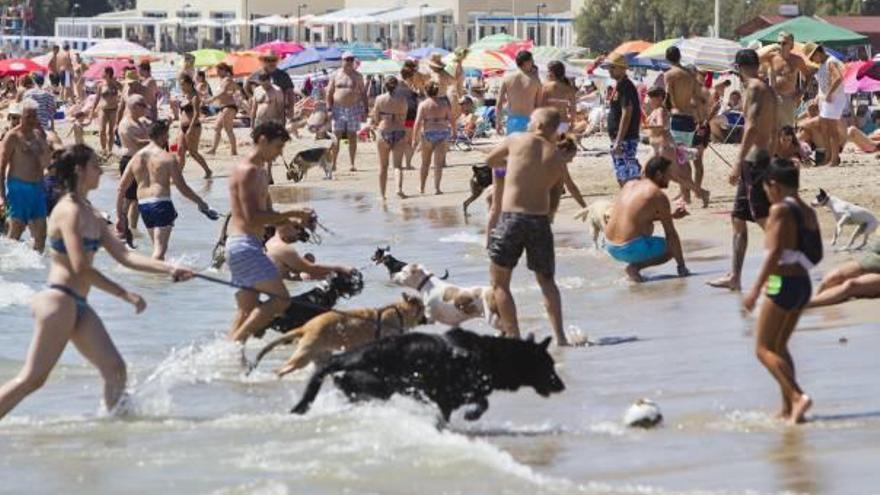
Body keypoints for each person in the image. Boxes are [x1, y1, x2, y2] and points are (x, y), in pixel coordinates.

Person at [0, 144, 193, 421]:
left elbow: (125, 255)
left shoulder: (89, 212)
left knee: (115, 369)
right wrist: (124, 294)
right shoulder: (69, 211)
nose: (101, 171)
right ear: (79, 170)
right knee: (33, 379)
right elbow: (80, 266)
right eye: (95, 166)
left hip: (77, 304)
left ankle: (112, 433)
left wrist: (170, 267)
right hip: (58, 300)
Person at [485, 108, 575, 346]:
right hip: (540, 221)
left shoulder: (517, 140)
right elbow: (555, 195)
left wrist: (512, 162)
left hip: (512, 219)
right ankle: (561, 338)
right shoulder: (557, 157)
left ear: (539, 125)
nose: (527, 124)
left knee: (500, 282)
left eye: (530, 120)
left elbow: (490, 160)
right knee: (547, 282)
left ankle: (514, 337)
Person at [742, 159, 821, 425]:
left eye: (766, 188)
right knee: (779, 346)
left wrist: (754, 289)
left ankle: (798, 397)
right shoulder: (807, 210)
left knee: (762, 349)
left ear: (773, 185)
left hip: (781, 283)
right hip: (803, 284)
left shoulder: (779, 210)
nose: (766, 193)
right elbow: (814, 253)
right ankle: (788, 407)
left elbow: (774, 252)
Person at [226, 122, 315, 343]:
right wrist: (292, 211)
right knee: (281, 299)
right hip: (243, 245)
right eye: (277, 147)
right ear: (263, 140)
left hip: (250, 244)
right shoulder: (246, 171)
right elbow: (252, 217)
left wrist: (294, 220)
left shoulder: (262, 173)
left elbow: (268, 214)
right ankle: (237, 343)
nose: (279, 153)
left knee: (246, 311)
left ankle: (230, 356)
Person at [709, 49, 778, 292]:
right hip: (759, 159)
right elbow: (776, 128)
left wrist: (738, 163)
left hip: (755, 161)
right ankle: (735, 277)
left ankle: (780, 278)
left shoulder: (755, 88)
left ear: (738, 67)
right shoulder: (765, 88)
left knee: (764, 220)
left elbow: (751, 127)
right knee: (738, 218)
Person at [116, 120, 215, 260]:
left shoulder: (135, 158)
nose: (167, 139)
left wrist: (120, 215)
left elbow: (121, 188)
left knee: (157, 248)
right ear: (162, 136)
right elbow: (182, 187)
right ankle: (154, 276)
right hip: (161, 203)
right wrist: (201, 203)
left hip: (144, 205)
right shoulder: (167, 158)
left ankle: (156, 277)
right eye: (167, 136)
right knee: (159, 251)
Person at [604, 156, 689, 282]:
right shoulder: (657, 195)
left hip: (610, 245)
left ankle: (635, 267)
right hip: (629, 248)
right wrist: (682, 267)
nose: (671, 178)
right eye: (669, 174)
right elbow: (670, 233)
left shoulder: (629, 184)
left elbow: (634, 216)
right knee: (673, 248)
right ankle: (634, 267)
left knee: (647, 228)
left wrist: (670, 216)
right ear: (659, 174)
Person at [489, 51, 543, 245]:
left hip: (512, 121)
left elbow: (498, 103)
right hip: (528, 121)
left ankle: (507, 191)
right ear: (527, 62)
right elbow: (538, 107)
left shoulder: (507, 78)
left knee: (512, 158)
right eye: (532, 62)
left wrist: (497, 122)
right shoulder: (535, 80)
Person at [0, 100, 52, 251]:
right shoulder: (12, 137)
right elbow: (2, 167)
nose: (32, 120)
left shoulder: (38, 135)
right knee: (16, 230)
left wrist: (43, 139)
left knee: (41, 233)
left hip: (37, 188)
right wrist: (2, 196)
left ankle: (38, 269)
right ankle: (9, 266)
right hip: (18, 188)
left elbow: (47, 163)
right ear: (21, 116)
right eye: (28, 116)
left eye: (34, 116)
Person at [645, 87, 709, 205]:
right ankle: (701, 192)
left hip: (664, 148)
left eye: (651, 97)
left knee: (672, 176)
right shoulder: (655, 111)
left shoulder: (660, 110)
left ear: (659, 98)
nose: (649, 100)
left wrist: (646, 127)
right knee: (673, 176)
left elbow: (661, 126)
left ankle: (701, 193)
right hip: (658, 147)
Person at [664, 46, 707, 191]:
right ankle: (686, 193)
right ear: (679, 56)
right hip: (690, 119)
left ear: (667, 58)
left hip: (677, 118)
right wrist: (701, 120)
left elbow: (667, 98)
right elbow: (698, 98)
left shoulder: (670, 75)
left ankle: (693, 192)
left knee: (679, 159)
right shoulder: (690, 74)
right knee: (684, 158)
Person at [266, 221, 355, 280]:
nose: (299, 232)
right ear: (283, 226)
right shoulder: (283, 248)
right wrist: (341, 268)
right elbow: (311, 268)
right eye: (296, 227)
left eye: (301, 228)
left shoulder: (271, 242)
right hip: (283, 292)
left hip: (282, 283)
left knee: (310, 268)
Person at [805, 43, 845, 167]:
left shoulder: (830, 62)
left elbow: (838, 78)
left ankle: (834, 158)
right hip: (827, 99)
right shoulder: (823, 64)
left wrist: (829, 93)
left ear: (818, 52)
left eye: (812, 57)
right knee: (825, 129)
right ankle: (829, 157)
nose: (812, 60)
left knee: (832, 130)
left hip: (834, 99)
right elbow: (824, 84)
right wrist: (819, 96)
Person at [604, 53, 641, 186]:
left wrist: (619, 141)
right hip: (620, 138)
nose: (610, 70)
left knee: (628, 176)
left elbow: (627, 113)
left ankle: (634, 203)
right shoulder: (619, 86)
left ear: (622, 68)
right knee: (623, 174)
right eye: (609, 68)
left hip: (625, 138)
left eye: (613, 67)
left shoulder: (626, 86)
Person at [327, 52, 368, 172]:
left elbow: (363, 93)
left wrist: (365, 109)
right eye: (347, 59)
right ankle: (333, 163)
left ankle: (352, 163)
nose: (349, 62)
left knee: (352, 136)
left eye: (351, 59)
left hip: (353, 108)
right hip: (338, 109)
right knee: (336, 136)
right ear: (342, 60)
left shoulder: (358, 76)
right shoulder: (335, 75)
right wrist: (329, 108)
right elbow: (329, 92)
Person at [809, 238, 880, 307]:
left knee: (851, 285)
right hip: (876, 256)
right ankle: (816, 301)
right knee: (833, 277)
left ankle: (806, 305)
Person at [117, 95, 151, 232]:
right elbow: (136, 142)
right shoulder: (126, 123)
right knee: (128, 198)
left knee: (138, 198)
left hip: (142, 162)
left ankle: (133, 228)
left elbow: (153, 126)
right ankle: (122, 226)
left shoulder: (141, 121)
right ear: (134, 107)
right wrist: (154, 140)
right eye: (143, 105)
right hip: (129, 161)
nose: (146, 108)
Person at [761, 32, 809, 129]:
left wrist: (801, 92)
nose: (780, 46)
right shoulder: (772, 57)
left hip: (789, 98)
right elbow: (757, 58)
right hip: (774, 96)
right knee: (772, 128)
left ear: (791, 44)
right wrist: (771, 48)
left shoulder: (797, 60)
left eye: (783, 43)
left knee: (787, 129)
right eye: (778, 43)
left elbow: (808, 75)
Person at [370, 76, 408, 200]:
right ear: (396, 86)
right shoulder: (402, 99)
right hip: (399, 131)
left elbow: (376, 118)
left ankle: (382, 195)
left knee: (383, 166)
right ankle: (398, 189)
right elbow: (404, 116)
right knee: (397, 166)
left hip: (384, 131)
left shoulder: (379, 99)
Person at [413, 82, 453, 196]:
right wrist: (454, 131)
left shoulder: (423, 104)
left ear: (426, 92)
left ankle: (421, 187)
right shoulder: (444, 104)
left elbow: (418, 122)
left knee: (425, 163)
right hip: (442, 133)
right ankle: (437, 188)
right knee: (438, 164)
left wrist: (413, 138)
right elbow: (451, 119)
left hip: (428, 134)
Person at [177, 75, 212, 178]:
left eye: (183, 85)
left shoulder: (194, 97)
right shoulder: (184, 96)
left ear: (189, 84)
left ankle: (207, 170)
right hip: (183, 127)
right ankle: (178, 174)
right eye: (180, 85)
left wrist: (190, 129)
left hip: (193, 127)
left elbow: (197, 114)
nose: (181, 87)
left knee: (193, 152)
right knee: (180, 150)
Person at [208, 63, 239, 156]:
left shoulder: (227, 79)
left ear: (224, 70)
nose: (217, 72)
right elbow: (234, 89)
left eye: (218, 70)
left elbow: (223, 91)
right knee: (217, 127)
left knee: (228, 129)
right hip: (223, 107)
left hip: (229, 106)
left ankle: (234, 150)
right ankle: (213, 149)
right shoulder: (223, 80)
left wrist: (211, 99)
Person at [90, 66, 122, 156]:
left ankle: (110, 150)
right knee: (101, 130)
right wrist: (92, 110)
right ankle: (104, 149)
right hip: (103, 110)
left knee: (111, 131)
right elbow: (97, 98)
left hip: (114, 109)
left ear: (108, 73)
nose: (102, 74)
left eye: (103, 72)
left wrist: (116, 84)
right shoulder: (101, 85)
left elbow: (124, 90)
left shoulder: (115, 83)